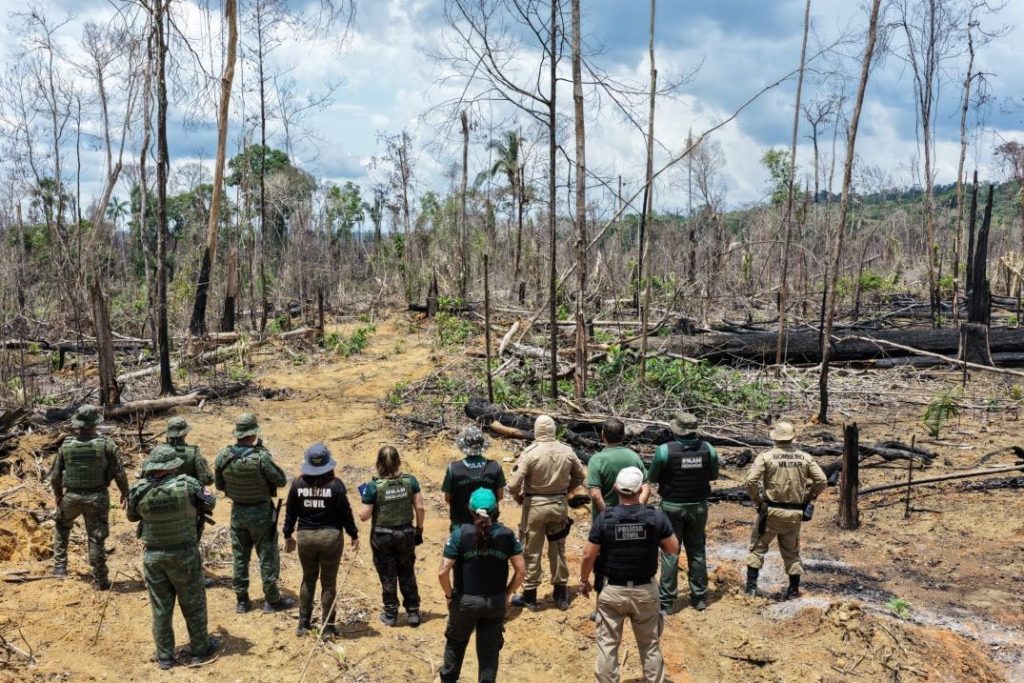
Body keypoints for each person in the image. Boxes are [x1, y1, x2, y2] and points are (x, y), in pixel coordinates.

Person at [580, 467, 678, 683]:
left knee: (607, 645)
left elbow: (588, 555)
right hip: (645, 591)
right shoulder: (655, 517)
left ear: (616, 488)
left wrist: (583, 580)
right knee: (650, 645)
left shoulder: (605, 518)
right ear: (640, 490)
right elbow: (673, 548)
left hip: (612, 591)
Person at [127, 445, 220, 670]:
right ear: (172, 466)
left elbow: (131, 516)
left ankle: (165, 657)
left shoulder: (139, 489)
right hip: (184, 554)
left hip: (154, 556)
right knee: (193, 603)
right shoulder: (189, 484)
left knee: (160, 607)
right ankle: (200, 650)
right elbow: (210, 502)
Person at [438, 487, 526, 683]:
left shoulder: (460, 534)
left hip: (465, 601)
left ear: (470, 510)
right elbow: (521, 571)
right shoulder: (507, 535)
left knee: (455, 644)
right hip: (494, 602)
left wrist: (449, 596)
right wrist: (507, 594)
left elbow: (443, 572)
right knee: (489, 652)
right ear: (496, 510)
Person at [214, 413, 292, 614]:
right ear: (253, 434)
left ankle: (242, 601)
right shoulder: (261, 457)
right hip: (262, 514)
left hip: (238, 513)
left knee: (240, 557)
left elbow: (220, 485)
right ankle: (272, 600)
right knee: (267, 557)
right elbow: (281, 480)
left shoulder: (223, 456)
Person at [507, 414, 585, 611]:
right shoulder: (567, 451)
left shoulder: (530, 453)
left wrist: (518, 497)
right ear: (553, 430)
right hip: (558, 505)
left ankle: (530, 597)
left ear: (536, 431)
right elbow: (580, 476)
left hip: (535, 506)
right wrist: (565, 491)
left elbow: (513, 485)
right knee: (557, 549)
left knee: (531, 549)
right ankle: (560, 595)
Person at [283, 444, 360, 637]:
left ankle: (303, 624)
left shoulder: (298, 484)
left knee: (308, 579)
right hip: (330, 538)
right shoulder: (336, 485)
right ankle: (328, 627)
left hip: (305, 538)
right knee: (328, 582)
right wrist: (353, 534)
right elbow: (345, 513)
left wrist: (287, 534)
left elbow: (290, 513)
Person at [744, 421, 827, 599]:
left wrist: (757, 501)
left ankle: (750, 589)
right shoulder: (804, 458)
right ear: (792, 437)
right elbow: (821, 480)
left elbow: (751, 481)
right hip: (794, 514)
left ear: (774, 437)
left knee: (757, 548)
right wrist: (809, 499)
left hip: (771, 513)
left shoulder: (766, 457)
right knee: (792, 553)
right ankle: (793, 591)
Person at [50, 404, 129, 589]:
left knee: (62, 526)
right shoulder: (106, 444)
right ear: (95, 423)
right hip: (97, 497)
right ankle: (100, 580)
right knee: (96, 537)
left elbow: (55, 476)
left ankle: (60, 568)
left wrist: (58, 496)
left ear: (78, 424)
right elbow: (119, 472)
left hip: (71, 497)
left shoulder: (66, 446)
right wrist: (125, 492)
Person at [647, 411, 719, 612]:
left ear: (676, 430)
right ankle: (700, 598)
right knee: (697, 551)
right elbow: (713, 474)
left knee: (670, 552)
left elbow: (652, 477)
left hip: (671, 507)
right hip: (698, 507)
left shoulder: (664, 451)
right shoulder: (708, 449)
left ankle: (667, 602)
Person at [358, 445, 425, 627]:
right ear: (398, 462)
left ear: (378, 463)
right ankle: (413, 612)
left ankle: (390, 614)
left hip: (383, 536)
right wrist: (419, 529)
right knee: (407, 572)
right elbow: (419, 507)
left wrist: (366, 497)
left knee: (388, 575)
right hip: (406, 533)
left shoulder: (373, 486)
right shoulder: (410, 481)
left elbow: (363, 516)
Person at [587, 418, 649, 597]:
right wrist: (637, 510)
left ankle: (603, 602)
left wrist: (608, 517)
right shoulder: (633, 457)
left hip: (605, 522)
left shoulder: (597, 459)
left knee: (602, 563)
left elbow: (595, 495)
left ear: (602, 435)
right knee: (631, 559)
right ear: (623, 435)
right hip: (633, 522)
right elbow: (646, 487)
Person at [442, 426, 506, 529]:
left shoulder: (453, 468)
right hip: (488, 523)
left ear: (464, 445)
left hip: (461, 524)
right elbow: (500, 496)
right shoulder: (495, 466)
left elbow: (448, 498)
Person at [164, 416, 214, 486]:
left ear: (168, 433)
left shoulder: (157, 451)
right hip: (186, 491)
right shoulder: (193, 452)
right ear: (185, 434)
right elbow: (207, 480)